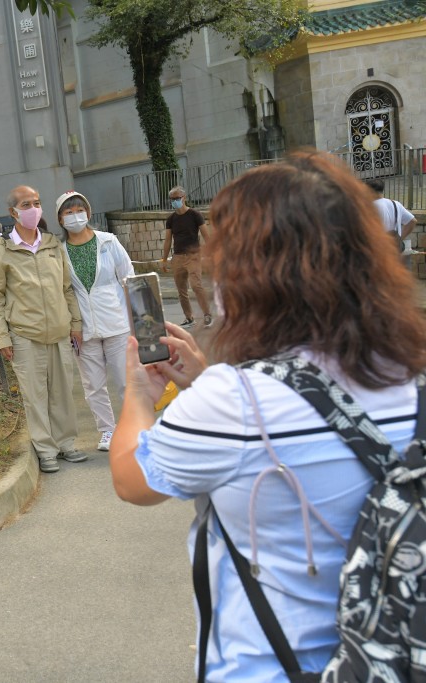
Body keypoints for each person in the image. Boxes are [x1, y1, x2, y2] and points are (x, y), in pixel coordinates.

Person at [109, 151, 426, 681]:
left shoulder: (234, 404)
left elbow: (133, 479)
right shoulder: (410, 380)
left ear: (252, 273)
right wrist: (206, 380)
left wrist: (139, 395)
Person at [0, 185, 88, 473]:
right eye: (27, 204)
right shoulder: (2, 250)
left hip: (58, 330)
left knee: (63, 392)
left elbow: (67, 288)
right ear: (13, 212)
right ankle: (46, 450)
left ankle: (67, 443)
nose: (33, 209)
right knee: (35, 395)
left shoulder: (52, 243)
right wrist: (1, 336)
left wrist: (75, 323)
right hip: (24, 335)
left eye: (37, 203)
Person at [56, 190, 134, 452]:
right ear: (60, 219)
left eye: (79, 210)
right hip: (82, 330)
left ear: (88, 213)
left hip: (116, 322)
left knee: (125, 380)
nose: (75, 216)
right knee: (93, 385)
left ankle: (133, 426)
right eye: (68, 212)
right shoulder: (59, 251)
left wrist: (137, 320)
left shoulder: (108, 242)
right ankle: (107, 430)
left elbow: (129, 278)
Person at [161, 186, 212, 328]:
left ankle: (207, 314)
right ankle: (189, 317)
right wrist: (164, 260)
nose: (174, 201)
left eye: (177, 198)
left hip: (193, 256)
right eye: (172, 199)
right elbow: (167, 240)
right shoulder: (171, 219)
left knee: (196, 285)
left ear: (184, 198)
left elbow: (206, 235)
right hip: (177, 257)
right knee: (181, 289)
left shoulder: (195, 215)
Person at [365, 178, 416, 253]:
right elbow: (413, 221)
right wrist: (400, 238)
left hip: (378, 249)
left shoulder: (368, 207)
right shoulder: (396, 204)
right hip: (394, 248)